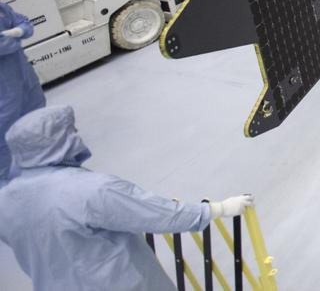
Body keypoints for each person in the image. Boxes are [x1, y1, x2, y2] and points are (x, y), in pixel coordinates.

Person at [0, 106, 254, 291]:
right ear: (58, 143)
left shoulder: (5, 201)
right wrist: (218, 209)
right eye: (70, 131)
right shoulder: (91, 190)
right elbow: (159, 214)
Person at [1, 0, 45, 182]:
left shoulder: (2, 9)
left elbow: (25, 23)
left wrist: (18, 32)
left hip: (22, 73)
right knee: (5, 128)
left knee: (36, 109)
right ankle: (6, 182)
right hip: (4, 85)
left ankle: (43, 159)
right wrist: (15, 36)